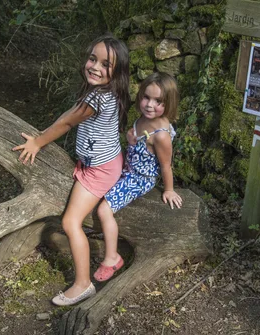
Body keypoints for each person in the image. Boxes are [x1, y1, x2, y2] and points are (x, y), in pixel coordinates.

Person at [12, 34, 130, 305]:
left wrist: (38, 143)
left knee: (70, 222)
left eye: (106, 65)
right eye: (92, 59)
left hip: (100, 171)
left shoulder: (97, 99)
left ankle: (83, 283)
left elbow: (66, 123)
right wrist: (43, 134)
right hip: (104, 162)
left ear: (118, 72)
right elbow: (69, 115)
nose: (95, 67)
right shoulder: (104, 92)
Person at [93, 72, 182, 282]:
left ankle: (112, 258)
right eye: (146, 97)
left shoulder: (161, 135)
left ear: (168, 103)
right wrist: (131, 140)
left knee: (103, 209)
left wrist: (168, 189)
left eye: (158, 101)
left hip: (140, 178)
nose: (150, 105)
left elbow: (166, 165)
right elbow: (138, 147)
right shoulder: (144, 119)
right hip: (127, 167)